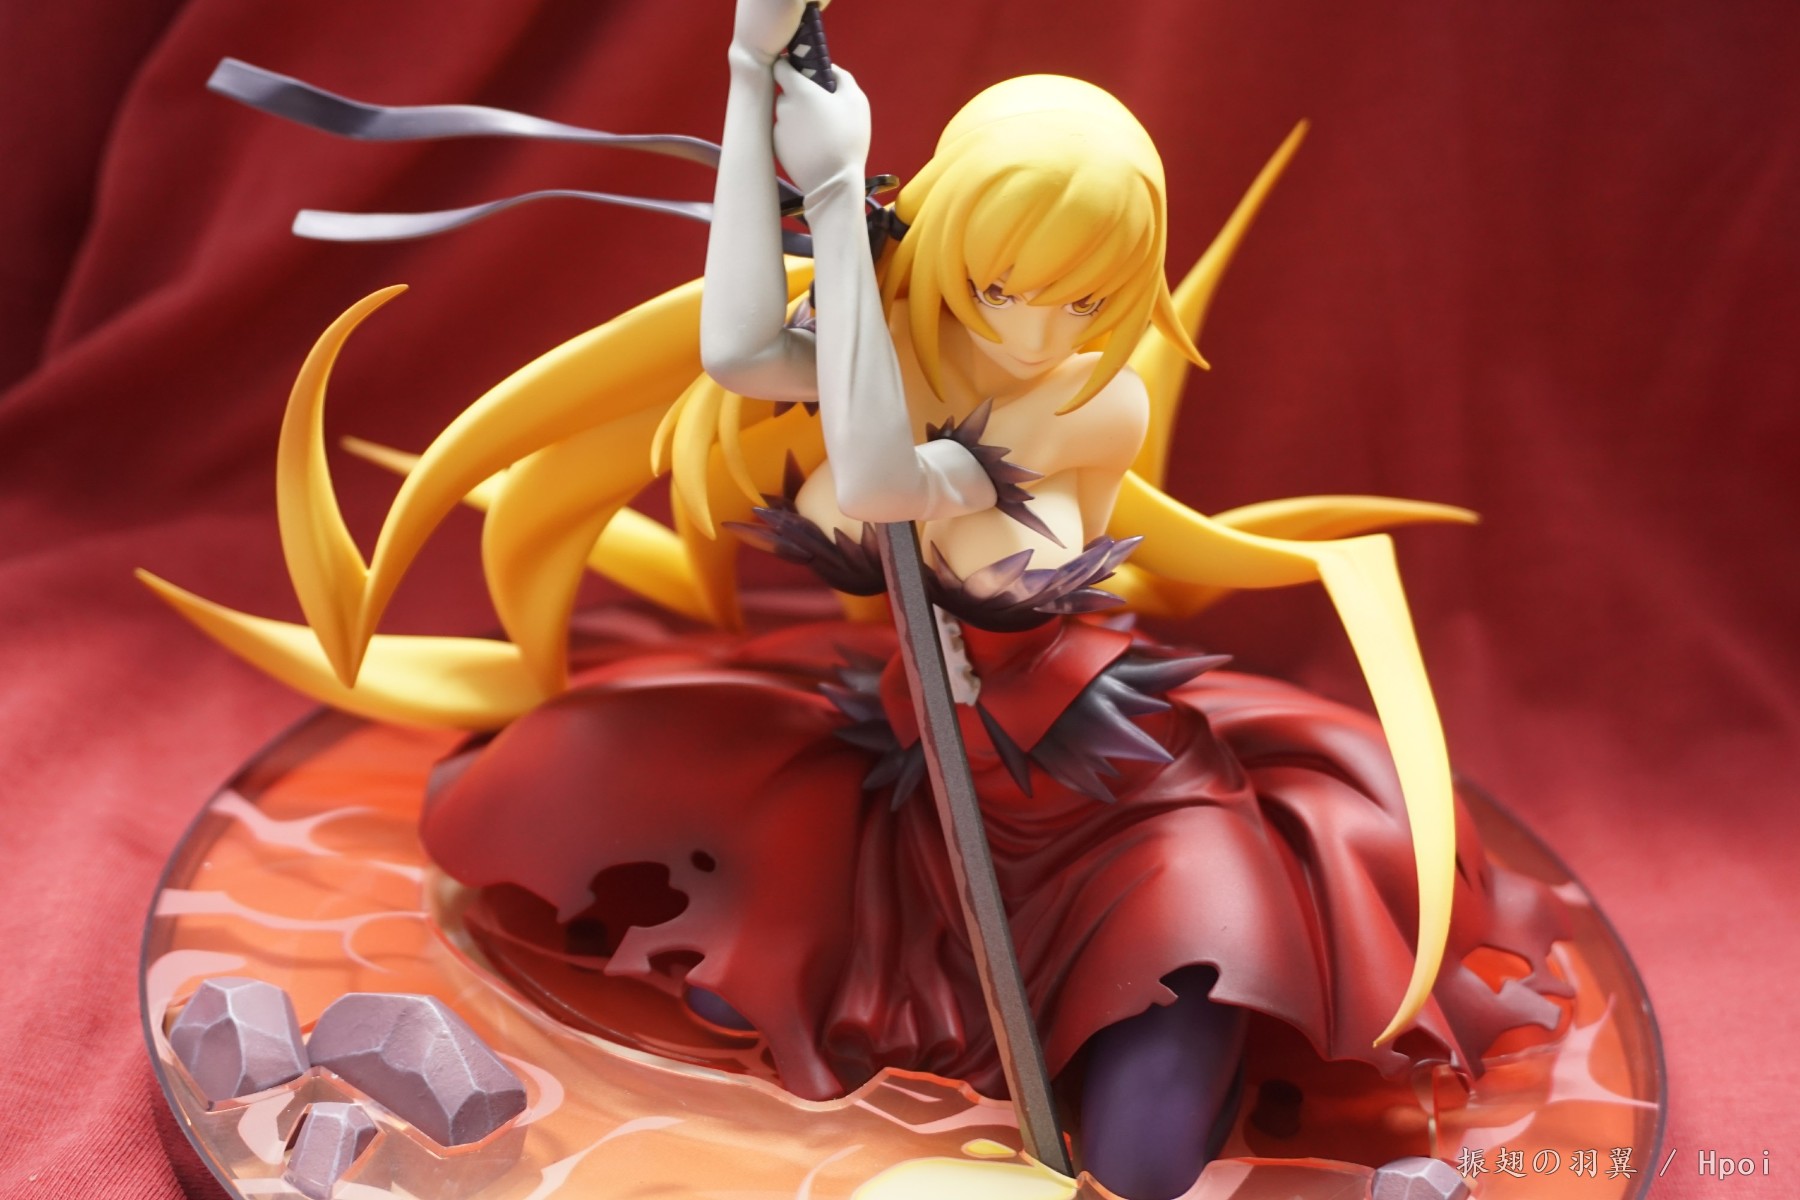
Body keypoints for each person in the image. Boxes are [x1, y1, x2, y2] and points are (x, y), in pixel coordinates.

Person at [139, 4, 1571, 1195]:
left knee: (1141, 1161)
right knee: (558, 788)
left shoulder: (1096, 403)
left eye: (1087, 297)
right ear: (950, 250)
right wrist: (751, 72)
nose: (1042, 330)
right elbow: (741, 347)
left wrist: (833, 195)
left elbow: (883, 479)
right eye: (1007, 288)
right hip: (916, 785)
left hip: (1109, 813)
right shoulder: (893, 335)